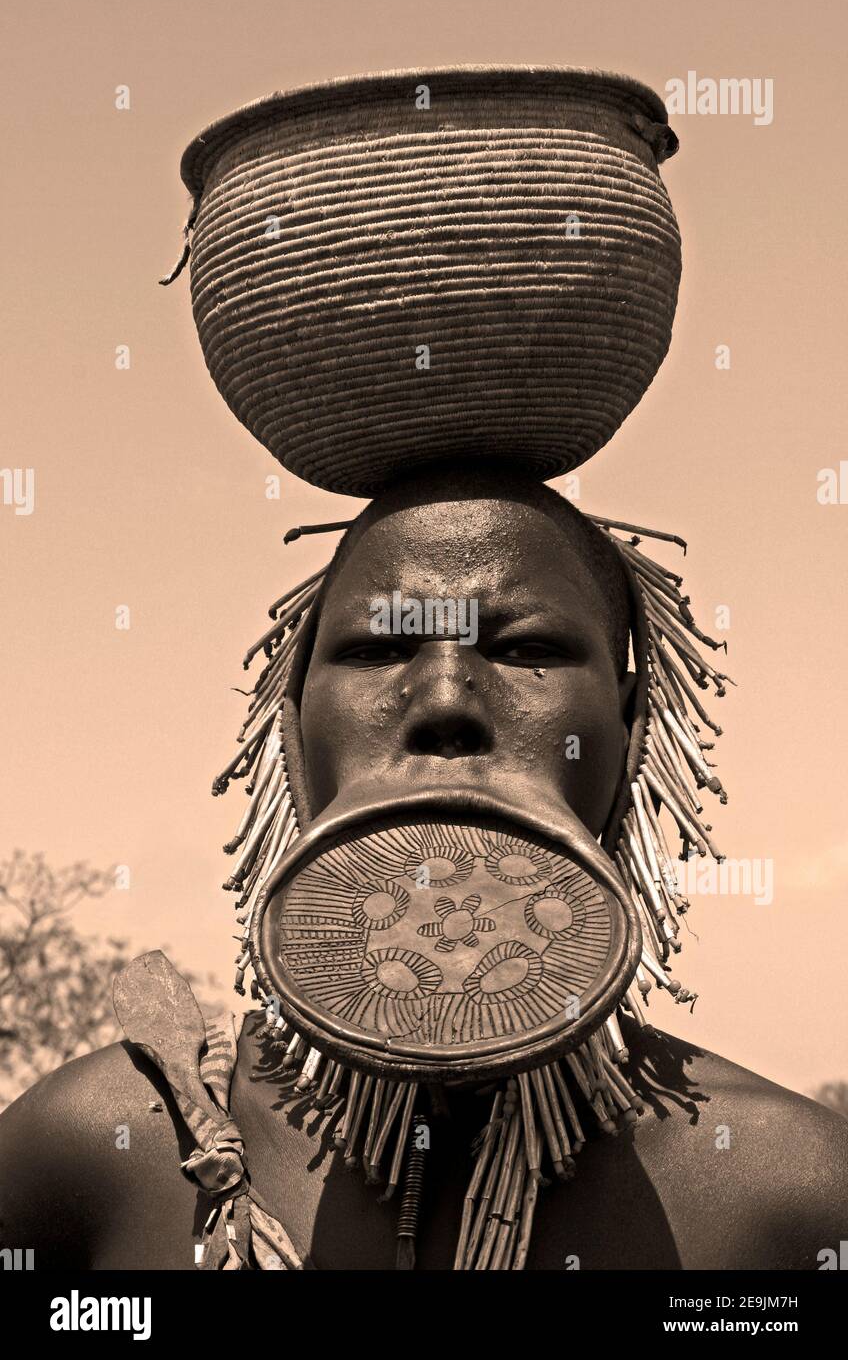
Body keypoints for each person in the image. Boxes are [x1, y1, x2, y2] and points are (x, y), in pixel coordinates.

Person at [1, 465, 846, 1270]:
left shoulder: (793, 1197)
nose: (445, 700)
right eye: (375, 650)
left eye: (525, 648)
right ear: (292, 736)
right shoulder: (87, 1157)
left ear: (630, 732)